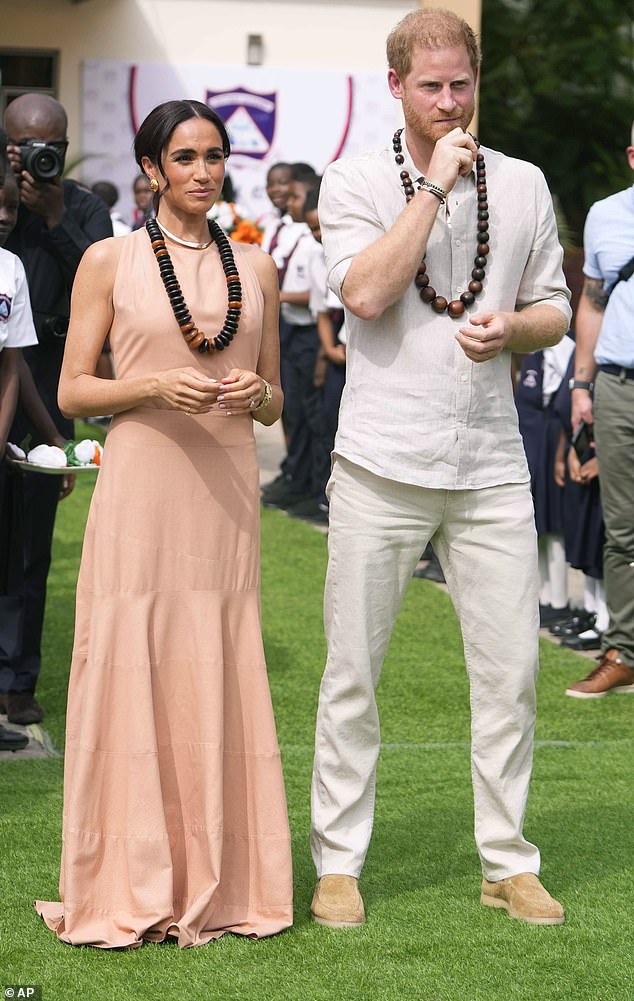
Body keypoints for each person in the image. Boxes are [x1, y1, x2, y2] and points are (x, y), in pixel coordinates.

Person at [310, 7, 571, 930]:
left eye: (462, 84)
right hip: (380, 456)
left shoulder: (528, 184)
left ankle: (509, 860)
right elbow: (370, 294)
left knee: (511, 675)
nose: (450, 100)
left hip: (491, 459)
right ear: (396, 88)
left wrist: (515, 328)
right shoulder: (351, 177)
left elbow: (557, 310)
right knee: (355, 671)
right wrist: (433, 185)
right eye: (431, 86)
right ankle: (338, 862)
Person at [34, 99, 292, 947]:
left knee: (214, 667)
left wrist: (259, 397)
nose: (203, 171)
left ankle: (222, 883)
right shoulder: (108, 260)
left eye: (214, 155)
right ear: (152, 168)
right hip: (142, 493)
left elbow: (274, 397)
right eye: (185, 157)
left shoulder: (256, 268)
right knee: (135, 666)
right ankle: (130, 880)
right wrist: (151, 386)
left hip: (226, 503)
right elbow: (73, 392)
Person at [1, 94, 112, 725]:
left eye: (52, 148)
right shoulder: (2, 198)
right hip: (1, 374)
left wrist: (55, 214)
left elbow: (103, 282)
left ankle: (19, 679)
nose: (39, 157)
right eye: (24, 146)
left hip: (51, 383)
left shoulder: (84, 206)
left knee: (31, 548)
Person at [565, 123, 634, 698]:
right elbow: (592, 304)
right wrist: (581, 384)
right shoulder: (605, 214)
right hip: (618, 383)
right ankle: (624, 650)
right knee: (622, 526)